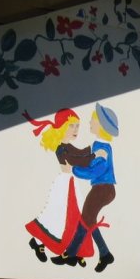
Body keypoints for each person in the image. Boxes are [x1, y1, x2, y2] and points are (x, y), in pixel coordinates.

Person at [23, 108, 94, 263]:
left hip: (71, 183)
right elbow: (76, 159)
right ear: (62, 127)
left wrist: (92, 149)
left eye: (77, 126)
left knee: (75, 216)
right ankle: (38, 242)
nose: (75, 130)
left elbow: (80, 153)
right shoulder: (61, 148)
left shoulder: (69, 146)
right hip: (64, 185)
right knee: (57, 216)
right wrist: (94, 154)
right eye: (71, 126)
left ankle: (75, 249)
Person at [58, 104, 118, 273]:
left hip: (103, 189)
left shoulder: (102, 147)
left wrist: (74, 170)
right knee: (87, 221)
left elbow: (96, 170)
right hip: (102, 189)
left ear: (101, 125)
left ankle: (71, 254)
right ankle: (101, 254)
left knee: (86, 220)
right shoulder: (98, 144)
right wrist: (70, 156)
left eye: (93, 120)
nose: (90, 122)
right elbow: (86, 158)